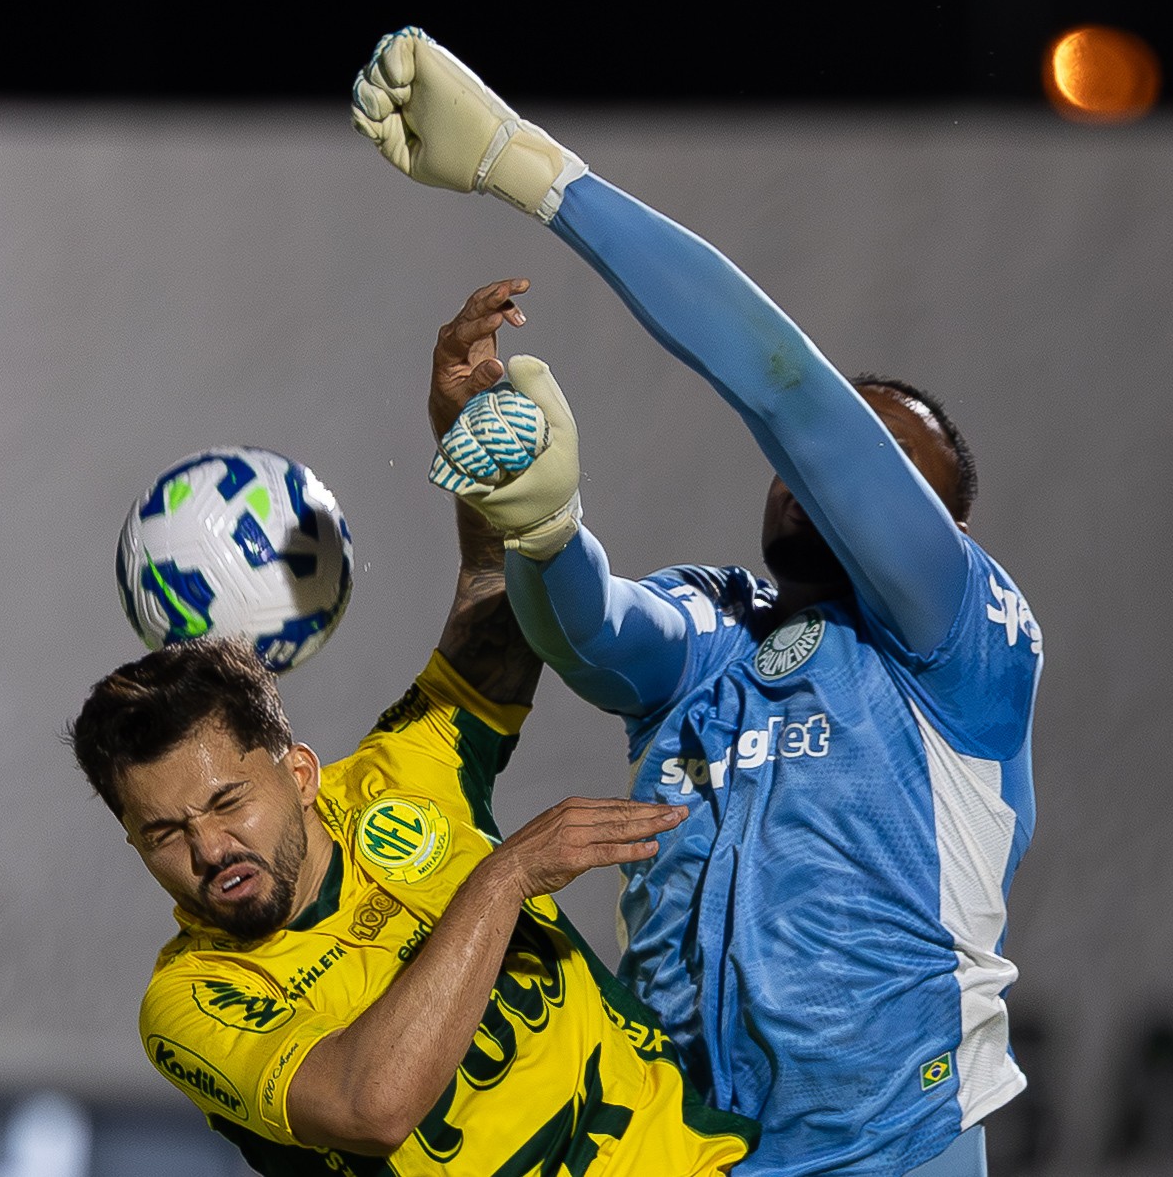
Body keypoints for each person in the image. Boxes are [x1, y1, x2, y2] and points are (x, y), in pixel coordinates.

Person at [354, 30, 1043, 1176]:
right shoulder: (722, 629)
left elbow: (785, 386)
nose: (813, 470)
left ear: (943, 530)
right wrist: (545, 525)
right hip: (679, 1158)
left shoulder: (959, 644)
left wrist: (531, 169)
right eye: (821, 455)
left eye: (870, 458)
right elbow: (590, 632)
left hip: (892, 1155)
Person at [65, 329, 757, 1177]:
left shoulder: (401, 780)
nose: (209, 850)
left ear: (301, 771)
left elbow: (498, 616)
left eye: (224, 804)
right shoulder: (192, 1002)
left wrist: (467, 436)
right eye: (164, 833)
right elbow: (374, 1108)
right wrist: (503, 878)